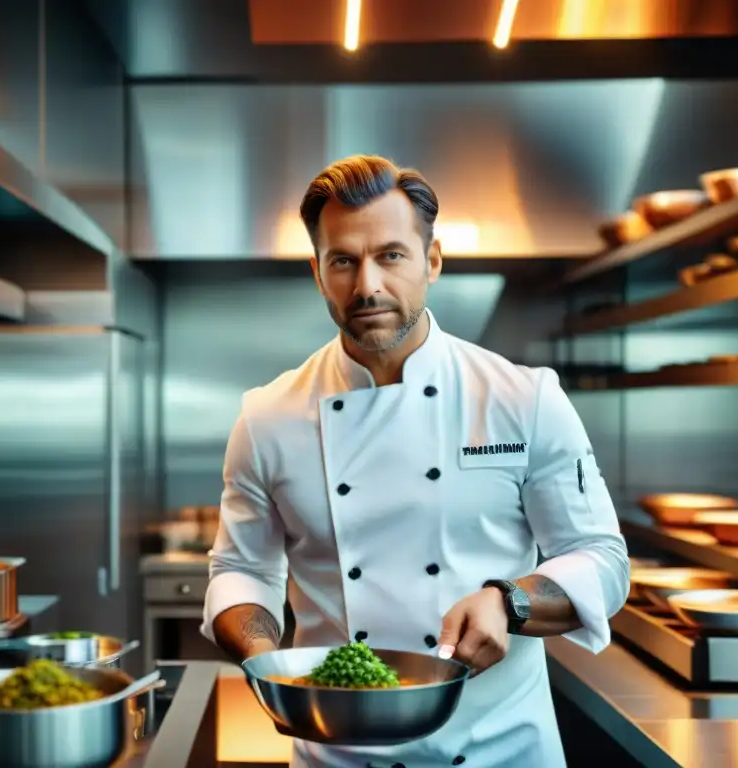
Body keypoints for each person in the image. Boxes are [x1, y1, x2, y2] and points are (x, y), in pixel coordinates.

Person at [200, 155, 629, 768]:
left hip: (498, 750)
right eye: (342, 260)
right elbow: (239, 572)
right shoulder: (267, 416)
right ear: (318, 273)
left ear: (432, 261)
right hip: (337, 750)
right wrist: (268, 662)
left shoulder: (522, 398)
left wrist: (510, 602)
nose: (367, 284)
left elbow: (604, 563)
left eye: (391, 255)